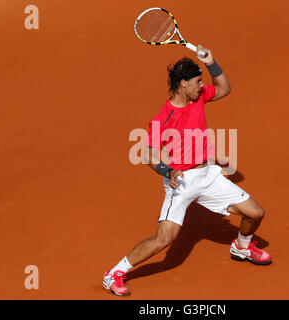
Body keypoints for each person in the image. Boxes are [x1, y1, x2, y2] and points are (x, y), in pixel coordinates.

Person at [103, 46, 271, 296]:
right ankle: (114, 273)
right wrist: (167, 171)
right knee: (164, 239)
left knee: (255, 213)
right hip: (181, 182)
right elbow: (148, 152)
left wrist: (212, 63)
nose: (201, 86)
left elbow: (225, 88)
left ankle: (242, 247)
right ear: (182, 84)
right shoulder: (164, 117)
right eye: (197, 82)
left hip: (209, 176)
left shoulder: (199, 97)